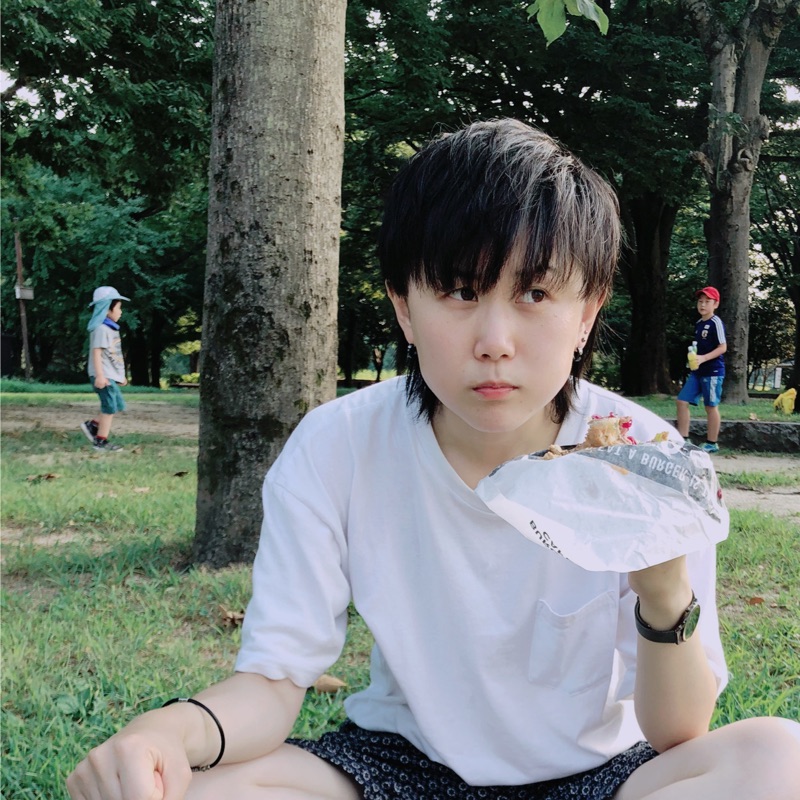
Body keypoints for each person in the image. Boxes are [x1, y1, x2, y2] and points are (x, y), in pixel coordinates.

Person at [67, 120, 800, 800]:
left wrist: (664, 590)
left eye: (535, 292)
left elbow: (678, 734)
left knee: (778, 760)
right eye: (459, 290)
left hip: (597, 774)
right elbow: (273, 681)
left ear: (586, 311)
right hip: (399, 767)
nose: (495, 341)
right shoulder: (337, 447)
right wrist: (168, 734)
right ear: (404, 306)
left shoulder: (649, 457)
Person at [675, 287, 727, 453]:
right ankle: (683, 439)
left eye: (707, 301)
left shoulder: (715, 322)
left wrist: (704, 358)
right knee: (682, 401)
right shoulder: (699, 324)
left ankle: (712, 443)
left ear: (715, 304)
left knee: (710, 406)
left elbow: (723, 347)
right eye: (700, 301)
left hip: (713, 372)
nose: (703, 305)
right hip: (697, 371)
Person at [80, 286, 130, 453]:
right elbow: (97, 353)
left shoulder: (110, 328)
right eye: (118, 308)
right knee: (109, 407)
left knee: (116, 404)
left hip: (109, 376)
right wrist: (100, 376)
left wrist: (119, 376)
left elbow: (111, 356)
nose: (121, 312)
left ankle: (93, 425)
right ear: (107, 308)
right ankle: (101, 441)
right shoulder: (101, 329)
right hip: (103, 376)